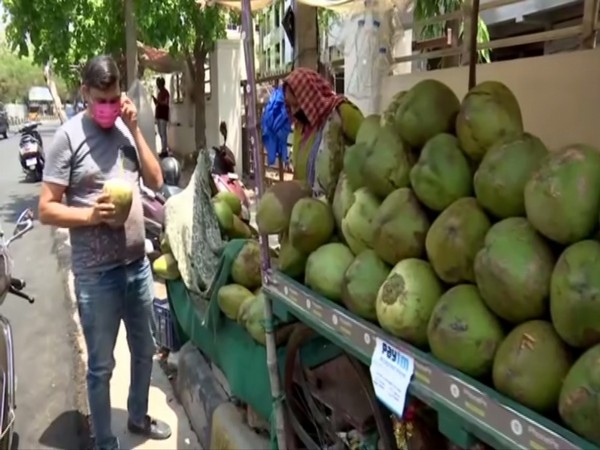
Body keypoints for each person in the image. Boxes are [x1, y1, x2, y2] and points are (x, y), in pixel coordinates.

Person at [38, 55, 171, 450]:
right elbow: (46, 207)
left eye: (114, 99)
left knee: (145, 350)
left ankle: (137, 417)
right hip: (97, 275)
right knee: (101, 366)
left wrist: (134, 126)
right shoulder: (68, 138)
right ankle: (105, 441)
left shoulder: (124, 130)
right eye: (102, 100)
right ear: (85, 94)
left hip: (136, 266)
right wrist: (89, 215)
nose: (108, 107)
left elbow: (157, 178)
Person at [283, 67, 363, 195]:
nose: (293, 112)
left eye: (297, 105)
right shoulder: (300, 127)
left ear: (308, 98)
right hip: (310, 208)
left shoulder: (341, 113)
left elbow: (369, 146)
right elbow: (297, 174)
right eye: (290, 106)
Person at [152, 77, 170, 157]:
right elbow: (158, 104)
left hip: (163, 115)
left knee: (163, 133)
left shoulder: (165, 92)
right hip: (159, 115)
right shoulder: (159, 93)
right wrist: (155, 100)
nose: (157, 85)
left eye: (158, 83)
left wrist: (158, 101)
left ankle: (164, 151)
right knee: (160, 133)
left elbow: (165, 103)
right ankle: (163, 149)